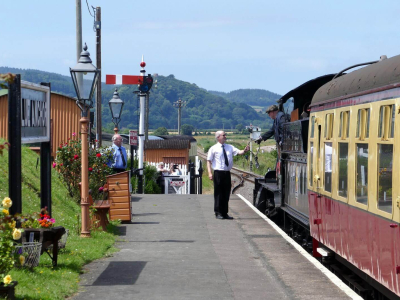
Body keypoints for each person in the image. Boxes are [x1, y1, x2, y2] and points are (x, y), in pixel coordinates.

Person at [207, 131, 249, 220]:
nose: (225, 136)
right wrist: (210, 173)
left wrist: (244, 150)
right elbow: (209, 161)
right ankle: (218, 212)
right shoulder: (213, 148)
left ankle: (224, 212)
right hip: (218, 172)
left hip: (226, 173)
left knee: (226, 193)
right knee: (219, 193)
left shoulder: (229, 147)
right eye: (223, 135)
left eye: (225, 134)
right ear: (218, 137)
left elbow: (239, 152)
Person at [255, 104, 289, 170]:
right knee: (278, 165)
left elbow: (284, 129)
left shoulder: (281, 117)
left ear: (273, 112)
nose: (268, 115)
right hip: (280, 146)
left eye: (269, 113)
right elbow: (271, 131)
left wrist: (282, 141)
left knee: (281, 165)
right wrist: (261, 138)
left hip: (283, 146)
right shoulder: (277, 119)